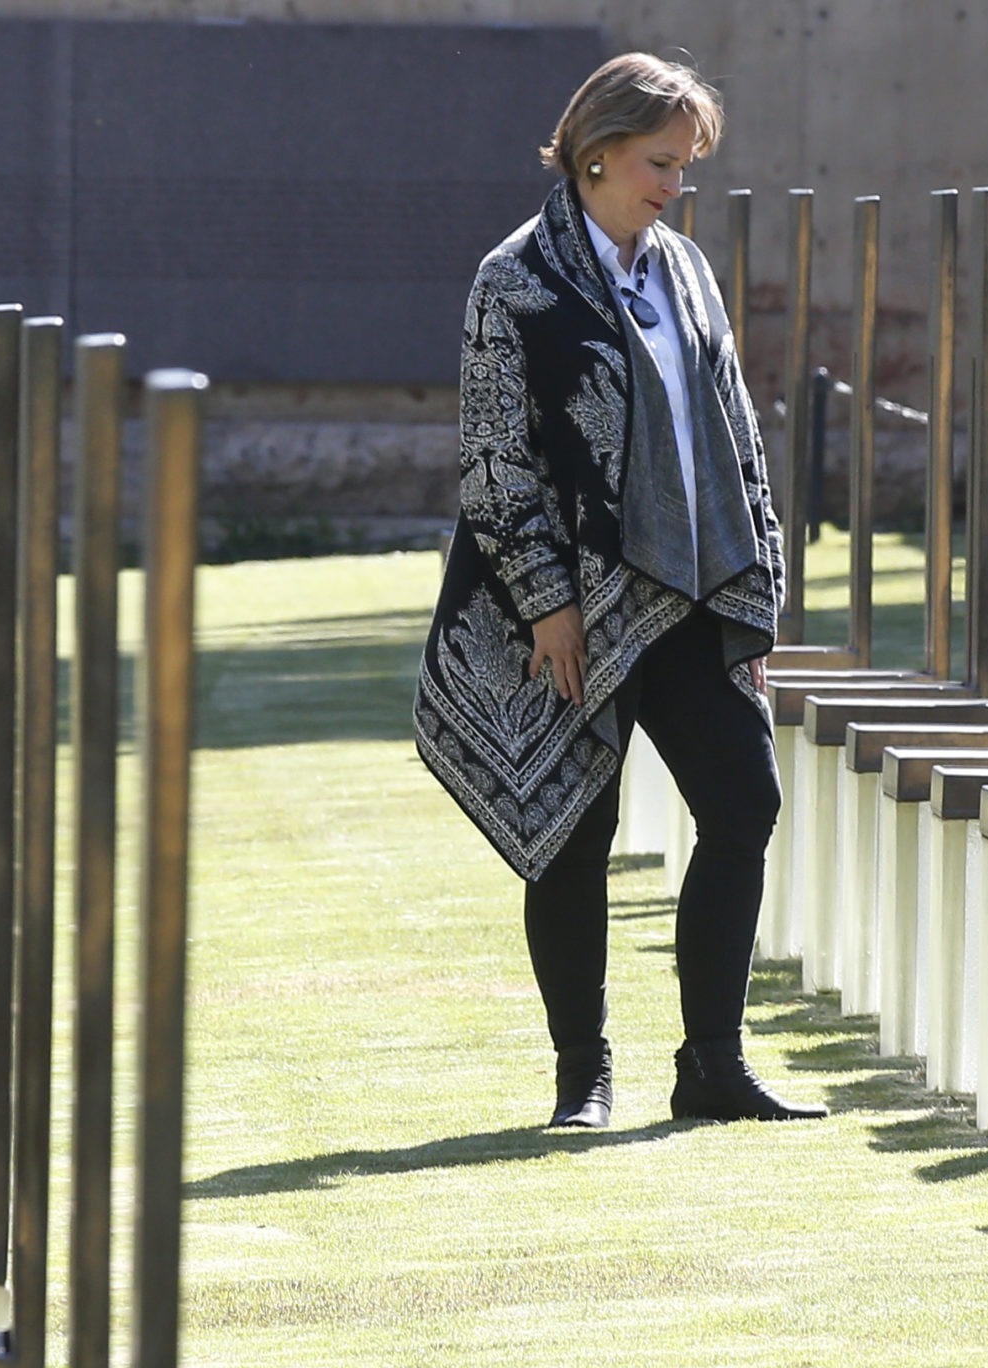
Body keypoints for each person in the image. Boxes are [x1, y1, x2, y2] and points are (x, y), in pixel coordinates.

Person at [415, 52, 824, 1130]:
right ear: (594, 151)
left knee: (743, 807)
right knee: (572, 830)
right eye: (659, 162)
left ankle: (713, 1067)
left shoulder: (683, 269)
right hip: (574, 613)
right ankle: (581, 1075)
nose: (673, 185)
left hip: (696, 594)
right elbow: (494, 461)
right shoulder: (514, 281)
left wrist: (759, 592)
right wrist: (547, 604)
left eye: (683, 164)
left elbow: (734, 435)